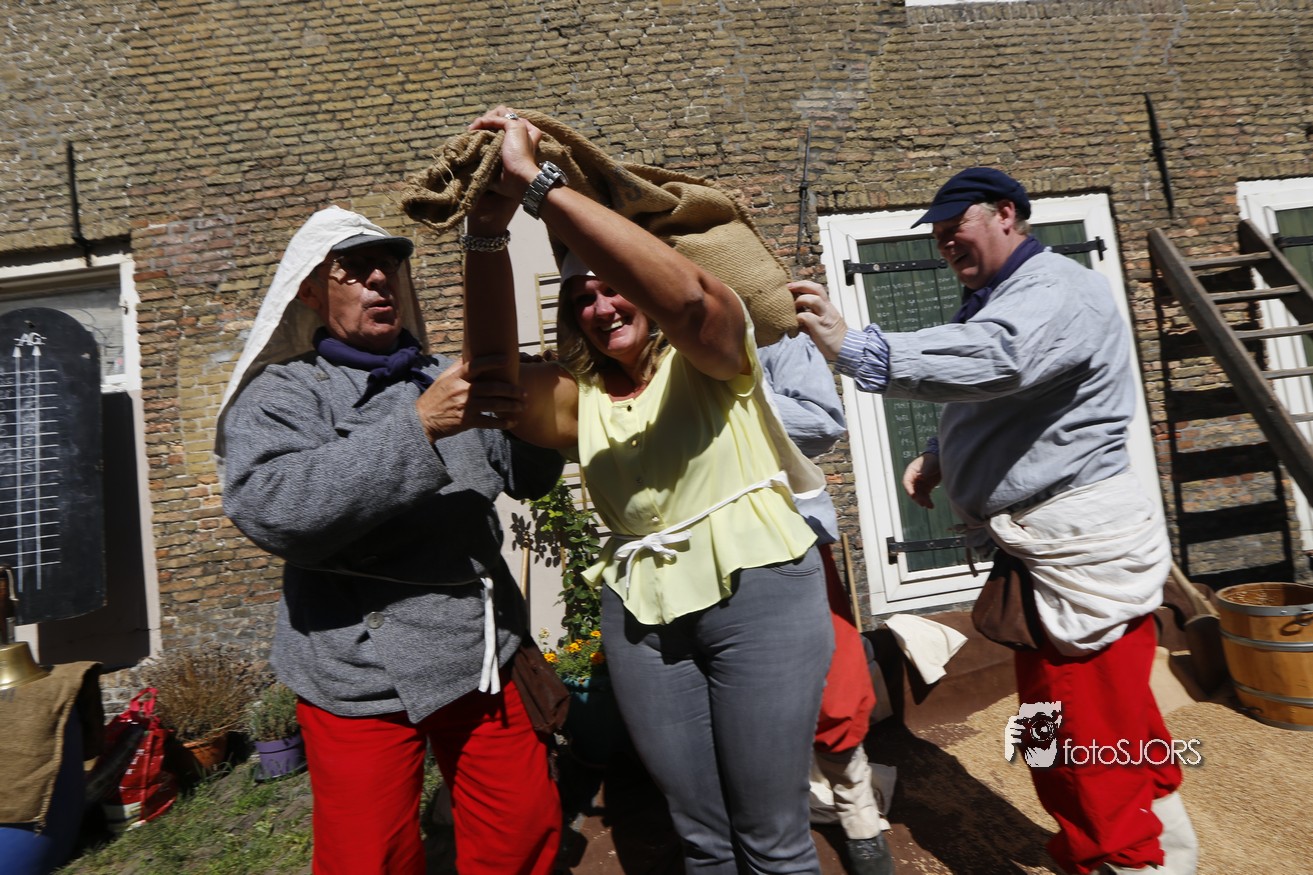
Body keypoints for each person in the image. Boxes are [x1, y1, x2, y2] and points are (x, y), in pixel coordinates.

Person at [458, 106, 835, 874]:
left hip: (759, 588)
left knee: (772, 839)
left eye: (613, 288)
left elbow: (690, 302)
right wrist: (487, 231)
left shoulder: (712, 355)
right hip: (639, 612)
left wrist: (539, 186)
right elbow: (493, 380)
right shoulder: (583, 399)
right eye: (581, 298)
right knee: (699, 840)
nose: (600, 307)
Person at [790, 168, 1198, 875]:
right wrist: (939, 453)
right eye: (939, 234)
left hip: (1075, 551)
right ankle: (1158, 851)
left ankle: (1129, 859)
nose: (946, 242)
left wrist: (855, 347)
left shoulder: (1054, 289)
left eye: (957, 227)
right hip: (1052, 547)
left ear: (1006, 214)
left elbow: (999, 359)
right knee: (1100, 721)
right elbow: (1002, 394)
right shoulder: (1001, 296)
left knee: (1080, 738)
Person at [214, 206, 563, 875]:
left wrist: (531, 418)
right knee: (367, 859)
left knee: (521, 832)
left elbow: (526, 478)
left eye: (389, 265)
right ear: (310, 290)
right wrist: (418, 427)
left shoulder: (445, 375)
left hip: (477, 649)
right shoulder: (284, 392)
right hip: (355, 665)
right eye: (354, 268)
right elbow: (271, 507)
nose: (380, 279)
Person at [757, 333, 893, 875]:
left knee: (835, 683)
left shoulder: (773, 332)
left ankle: (858, 814)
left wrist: (728, 393)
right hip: (697, 552)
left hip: (788, 535)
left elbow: (820, 423)